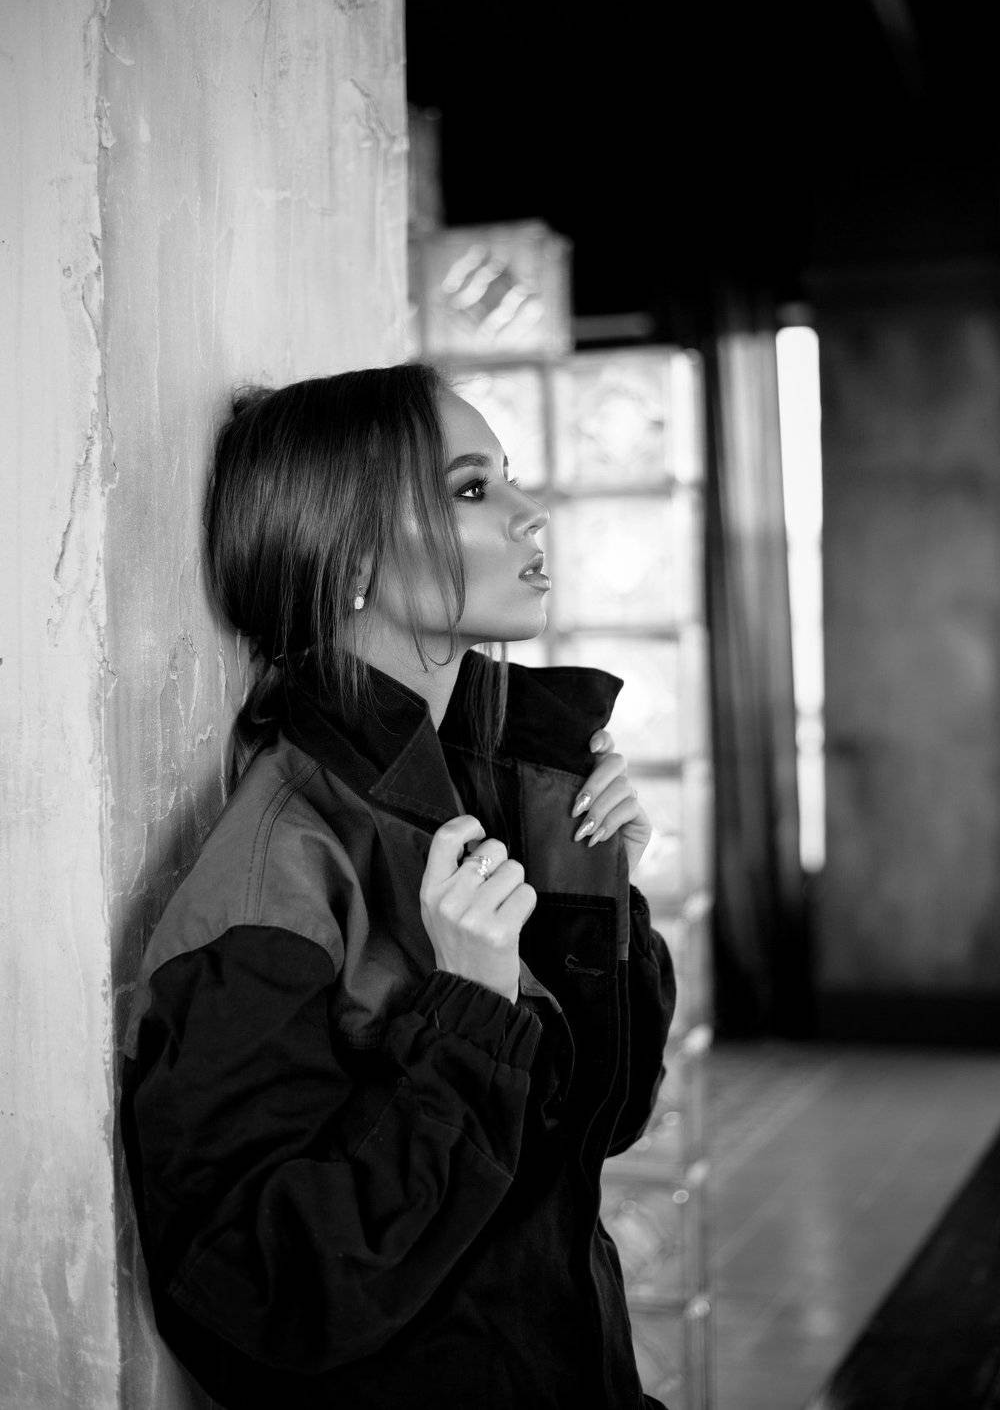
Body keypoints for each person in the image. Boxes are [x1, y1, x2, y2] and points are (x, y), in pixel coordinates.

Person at [120, 364, 676, 1409]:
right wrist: (467, 1012)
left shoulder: (504, 783)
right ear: (351, 560)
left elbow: (605, 1121)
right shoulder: (277, 869)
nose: (530, 512)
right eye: (471, 488)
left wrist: (595, 888)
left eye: (507, 476)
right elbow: (253, 1292)